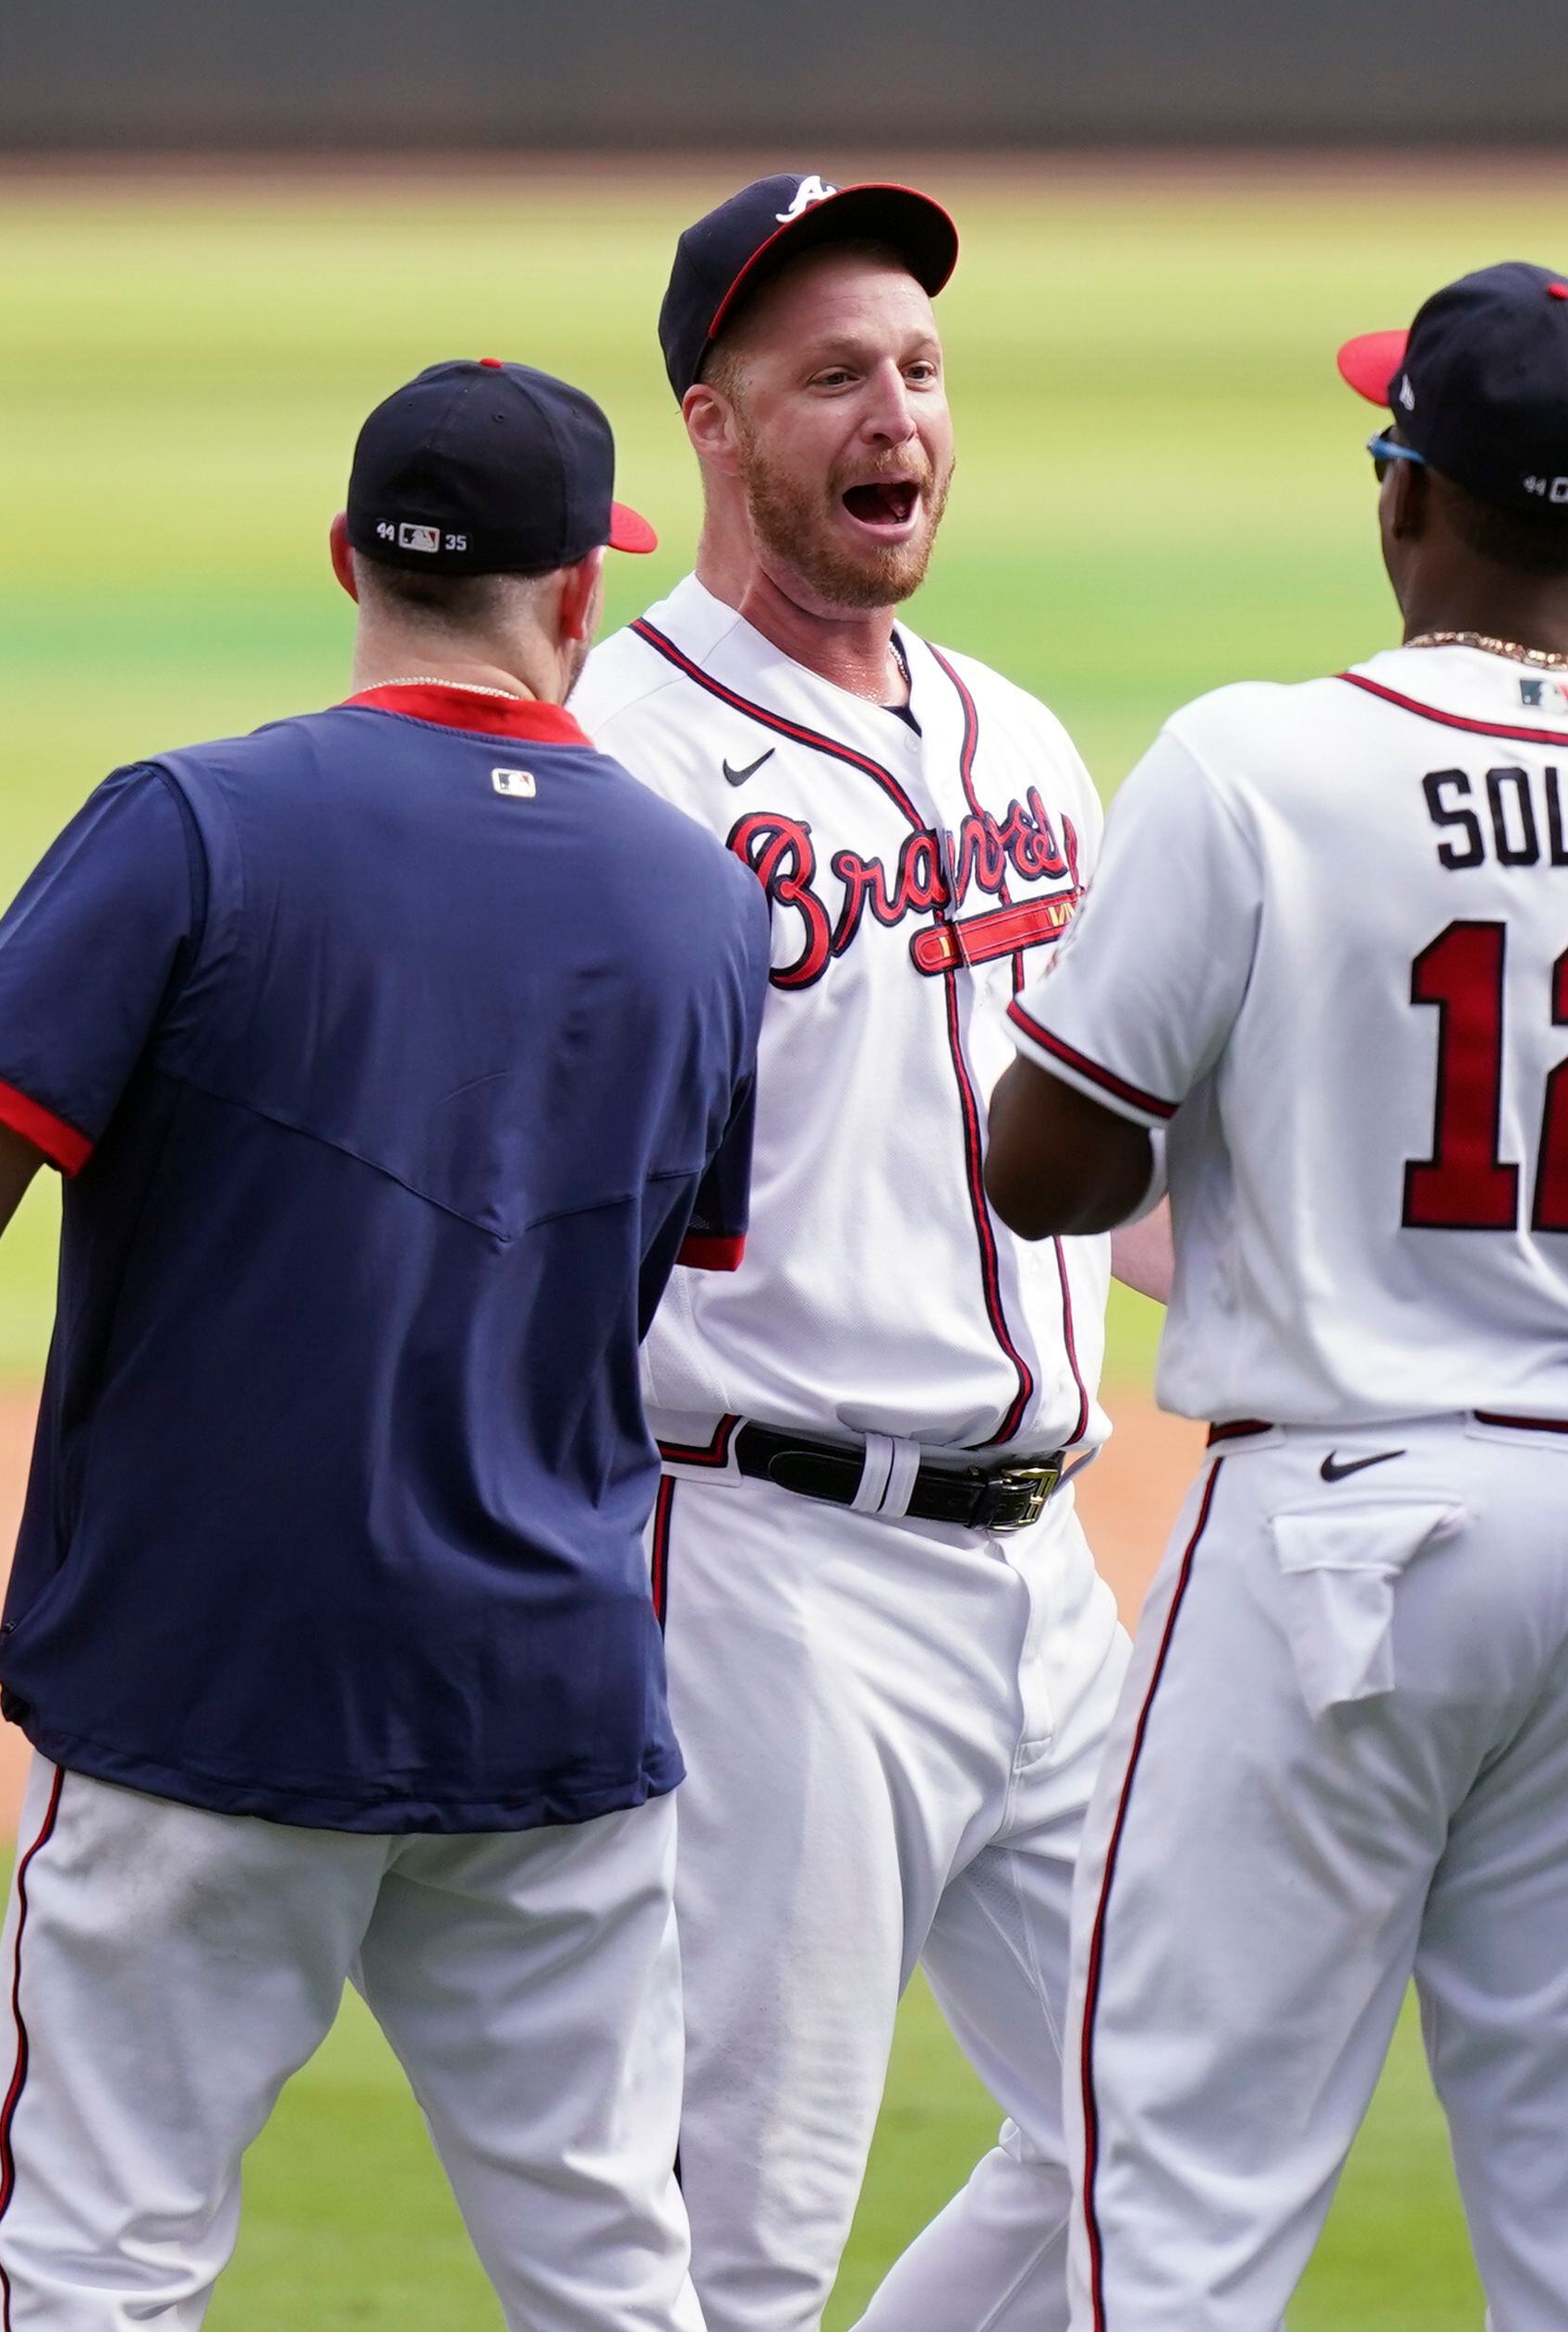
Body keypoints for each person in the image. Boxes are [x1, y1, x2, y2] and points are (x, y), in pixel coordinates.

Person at [0, 358, 763, 2331]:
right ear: (584, 594)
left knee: (103, 2268)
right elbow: (654, 1283)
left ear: (346, 557)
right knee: (614, 2284)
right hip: (548, 1698)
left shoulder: (191, 825)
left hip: (202, 1692)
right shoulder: (703, 908)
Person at [983, 260, 1568, 2331]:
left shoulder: (1251, 764)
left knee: (1181, 2199)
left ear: (1401, 495)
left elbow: (1044, 1167)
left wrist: (1249, 1116)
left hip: (1338, 1538)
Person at [565, 170, 1163, 2332]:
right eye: (832, 376)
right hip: (769, 1571)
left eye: (917, 369)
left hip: (1046, 1578)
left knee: (1162, 2132)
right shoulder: (626, 762)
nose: (892, 413)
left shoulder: (1018, 735)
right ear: (715, 427)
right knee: (740, 2238)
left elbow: (1107, 1165)